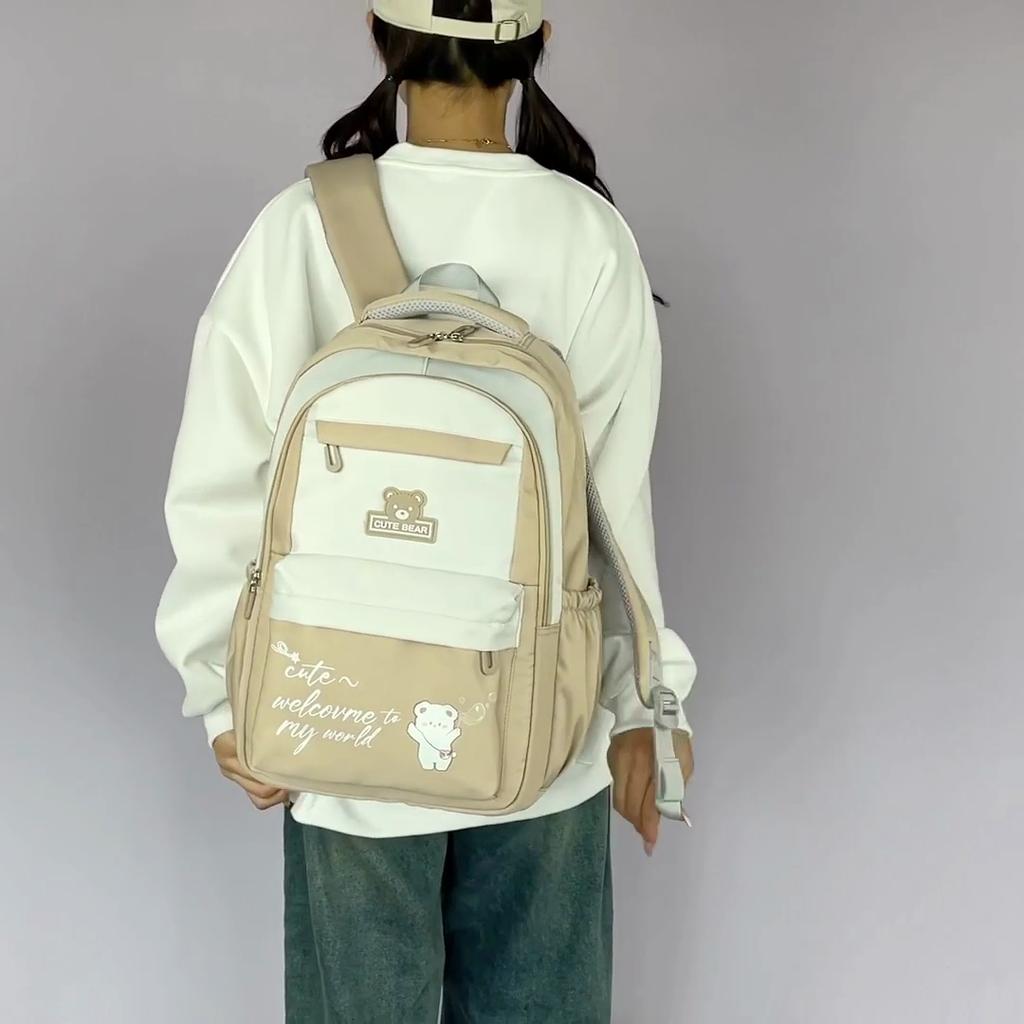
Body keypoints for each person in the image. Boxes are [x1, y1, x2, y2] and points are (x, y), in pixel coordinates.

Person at [154, 2, 697, 1020]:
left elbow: (222, 477)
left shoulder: (300, 225)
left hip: (334, 723)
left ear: (378, 32)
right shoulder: (587, 233)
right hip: (546, 728)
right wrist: (645, 706)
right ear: (538, 39)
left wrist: (224, 693)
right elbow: (613, 511)